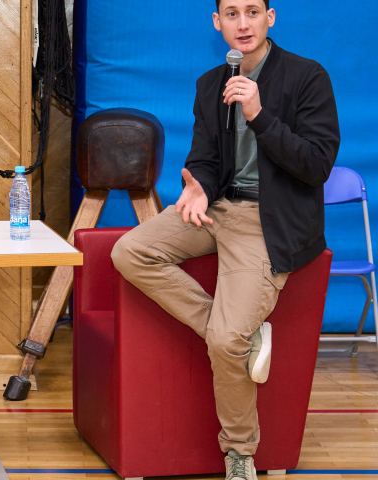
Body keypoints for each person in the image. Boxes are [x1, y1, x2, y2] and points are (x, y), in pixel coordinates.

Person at [110, 1, 340, 479]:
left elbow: (316, 164)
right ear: (217, 23)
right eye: (231, 13)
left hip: (269, 220)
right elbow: (206, 159)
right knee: (129, 251)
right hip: (217, 210)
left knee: (224, 340)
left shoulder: (307, 77)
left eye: (252, 11)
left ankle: (239, 452)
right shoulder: (210, 84)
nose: (242, 23)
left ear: (270, 17)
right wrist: (199, 185)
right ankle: (239, 334)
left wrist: (259, 114)